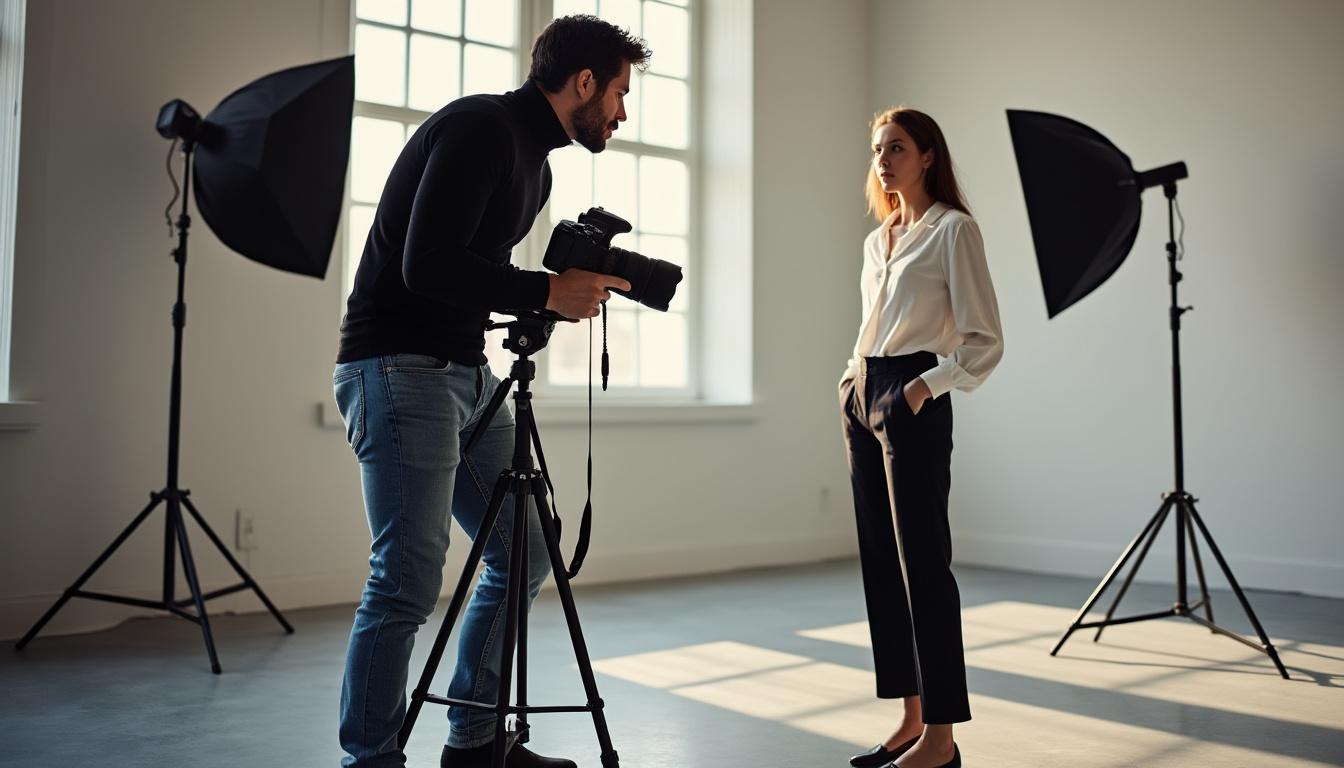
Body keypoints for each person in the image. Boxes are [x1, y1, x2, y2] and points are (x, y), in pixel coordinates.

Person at [331, 16, 650, 768]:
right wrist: (546, 286)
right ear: (582, 84)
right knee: (405, 582)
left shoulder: (534, 166)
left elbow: (470, 279)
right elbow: (427, 264)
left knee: (528, 550)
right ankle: (369, 760)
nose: (621, 114)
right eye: (617, 94)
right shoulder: (480, 128)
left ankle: (473, 742)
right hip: (397, 368)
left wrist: (552, 299)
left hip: (463, 374)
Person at [838, 107, 1004, 768]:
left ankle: (941, 738)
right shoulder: (879, 240)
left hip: (913, 394)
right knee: (882, 564)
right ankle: (909, 718)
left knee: (924, 568)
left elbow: (985, 339)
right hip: (862, 393)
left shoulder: (953, 232)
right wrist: (851, 383)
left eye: (898, 147)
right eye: (878, 148)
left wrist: (921, 389)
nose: (884, 159)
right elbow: (872, 324)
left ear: (928, 155)